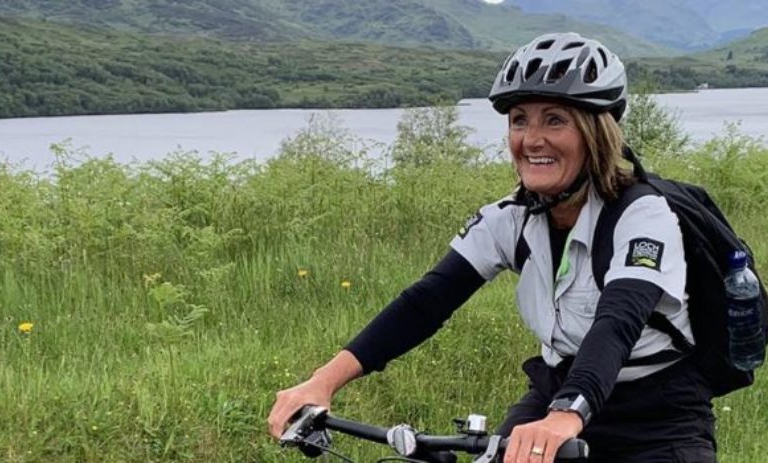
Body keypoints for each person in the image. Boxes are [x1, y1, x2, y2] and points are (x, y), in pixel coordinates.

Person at [266, 32, 716, 462]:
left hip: (658, 412)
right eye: (520, 120)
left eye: (554, 120)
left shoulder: (644, 215)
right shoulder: (510, 217)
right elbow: (425, 302)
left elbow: (617, 323)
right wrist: (322, 382)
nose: (531, 139)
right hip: (555, 391)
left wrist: (566, 415)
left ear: (595, 133)